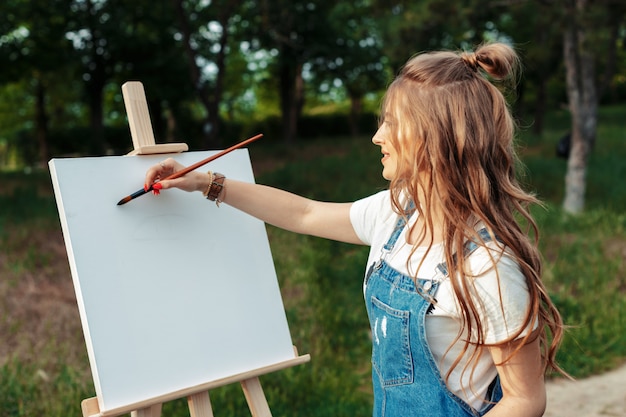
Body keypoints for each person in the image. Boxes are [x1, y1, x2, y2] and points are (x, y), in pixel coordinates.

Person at [144, 42, 565, 417]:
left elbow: (525, 400)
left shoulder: (488, 267)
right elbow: (304, 214)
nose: (377, 136)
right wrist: (205, 182)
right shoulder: (396, 216)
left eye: (393, 123)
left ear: (436, 137)